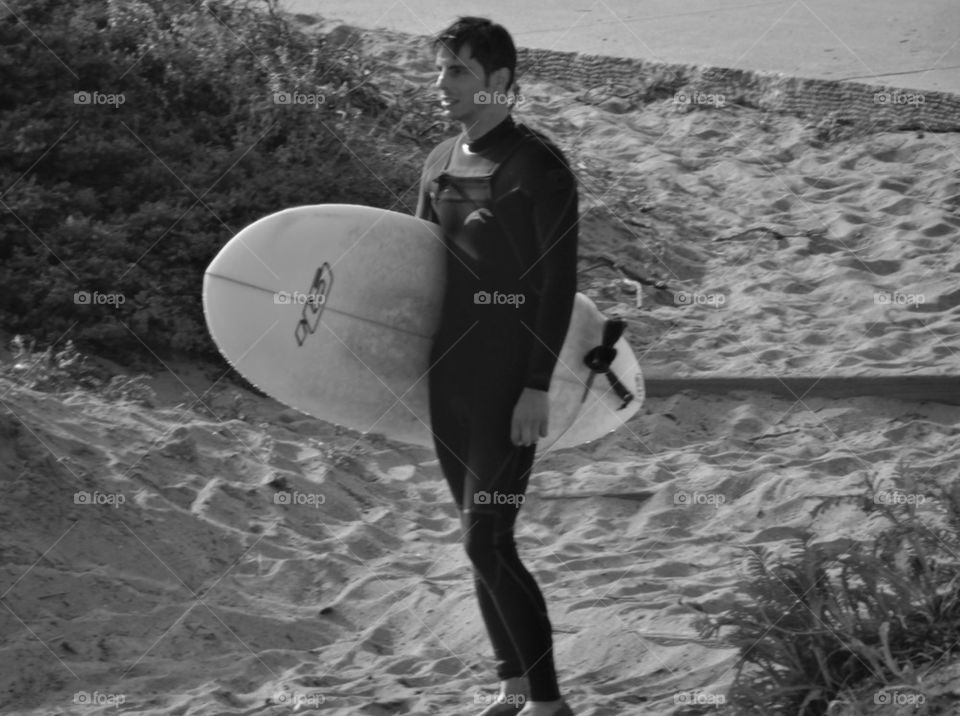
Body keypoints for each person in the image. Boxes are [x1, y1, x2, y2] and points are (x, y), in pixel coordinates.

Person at [414, 17, 578, 716]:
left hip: (509, 383)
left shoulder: (539, 169)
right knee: (474, 539)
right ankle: (513, 686)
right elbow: (412, 273)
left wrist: (537, 387)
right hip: (448, 381)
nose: (441, 85)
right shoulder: (437, 162)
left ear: (501, 82)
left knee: (489, 536)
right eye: (441, 69)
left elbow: (556, 287)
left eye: (457, 71)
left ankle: (548, 702)